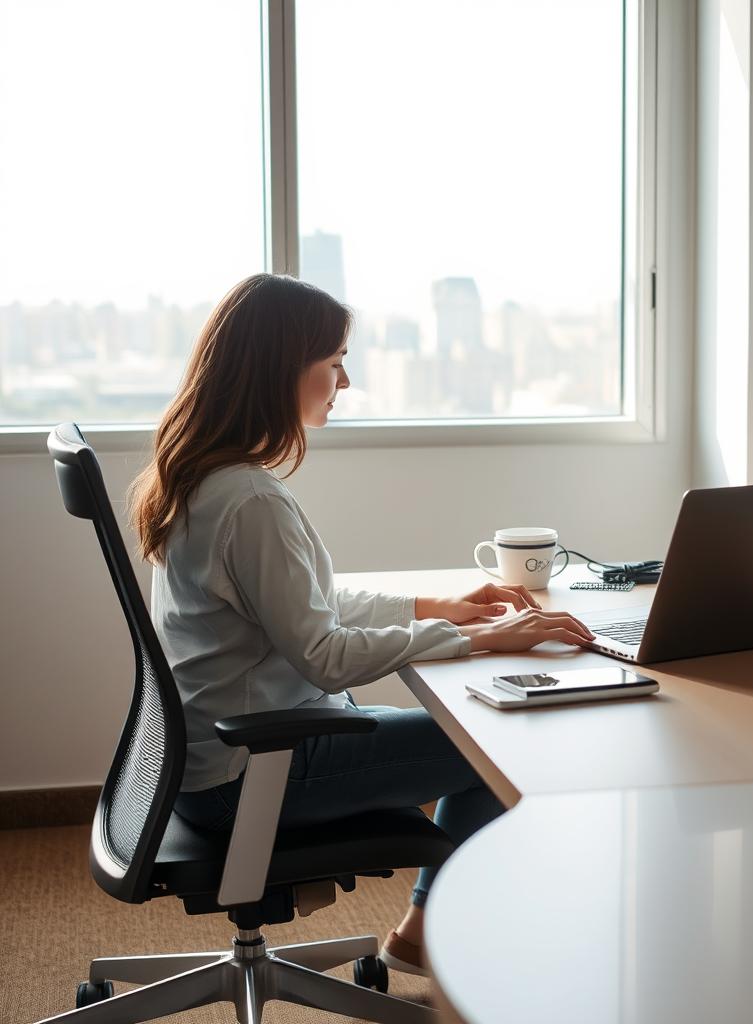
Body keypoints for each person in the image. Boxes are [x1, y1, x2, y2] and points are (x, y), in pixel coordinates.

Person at [128, 272, 595, 977]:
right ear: (282, 369)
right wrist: (477, 639)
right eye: (334, 362)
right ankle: (430, 930)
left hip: (222, 758)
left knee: (476, 725)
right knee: (503, 741)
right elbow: (325, 655)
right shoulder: (251, 500)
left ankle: (423, 929)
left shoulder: (204, 479)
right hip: (256, 772)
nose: (344, 382)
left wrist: (432, 609)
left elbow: (303, 606)